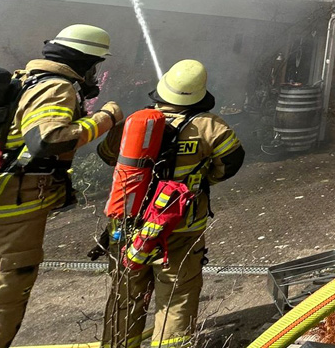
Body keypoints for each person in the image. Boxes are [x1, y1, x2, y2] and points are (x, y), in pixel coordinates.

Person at [0, 25, 122, 348]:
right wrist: (106, 118)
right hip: (9, 221)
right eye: (94, 65)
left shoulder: (23, 81)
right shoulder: (56, 89)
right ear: (83, 61)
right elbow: (47, 139)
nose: (94, 74)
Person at [99, 60, 245, 348]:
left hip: (128, 225)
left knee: (125, 293)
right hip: (178, 227)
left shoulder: (135, 121)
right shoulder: (210, 126)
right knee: (177, 294)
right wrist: (200, 182)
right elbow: (230, 163)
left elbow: (106, 155)